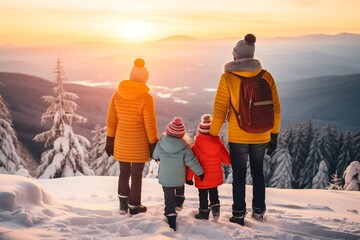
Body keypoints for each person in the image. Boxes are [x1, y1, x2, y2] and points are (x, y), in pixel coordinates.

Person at [209, 34, 281, 226]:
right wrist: (274, 135)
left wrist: (212, 135)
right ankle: (258, 211)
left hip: (238, 135)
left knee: (239, 175)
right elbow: (276, 109)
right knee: (258, 173)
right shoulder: (266, 76)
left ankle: (238, 214)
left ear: (236, 56)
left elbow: (219, 111)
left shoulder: (227, 77)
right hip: (262, 134)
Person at [105, 58, 158, 215]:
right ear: (145, 78)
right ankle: (134, 206)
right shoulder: (146, 97)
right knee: (136, 175)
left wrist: (110, 140)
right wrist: (153, 144)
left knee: (123, 172)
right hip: (139, 144)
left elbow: (111, 120)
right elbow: (150, 124)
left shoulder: (118, 94)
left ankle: (122, 204)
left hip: (121, 141)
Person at [153, 117, 204, 231]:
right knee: (180, 188)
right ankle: (179, 201)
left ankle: (171, 217)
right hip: (179, 179)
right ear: (182, 134)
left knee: (169, 198)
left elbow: (155, 156)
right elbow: (192, 161)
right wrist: (200, 172)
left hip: (165, 179)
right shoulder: (185, 147)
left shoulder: (161, 143)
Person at [186, 114, 231, 221]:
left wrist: (188, 178)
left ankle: (203, 213)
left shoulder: (196, 147)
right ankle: (215, 210)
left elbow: (192, 164)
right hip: (215, 176)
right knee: (214, 192)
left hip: (202, 177)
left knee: (202, 194)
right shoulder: (218, 144)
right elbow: (227, 161)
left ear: (199, 131)